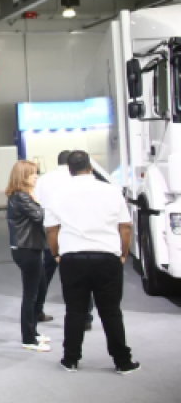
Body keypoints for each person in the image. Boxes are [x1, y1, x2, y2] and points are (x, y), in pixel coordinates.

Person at [45, 151, 140, 374]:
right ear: (91, 168)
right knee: (111, 311)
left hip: (72, 258)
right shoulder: (112, 191)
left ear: (69, 170)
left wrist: (56, 254)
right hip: (107, 257)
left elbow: (51, 230)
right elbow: (125, 227)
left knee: (75, 310)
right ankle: (123, 362)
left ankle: (70, 359)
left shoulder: (57, 194)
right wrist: (123, 254)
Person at [34, 151, 95, 330]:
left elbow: (36, 203)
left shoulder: (44, 179)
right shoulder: (78, 180)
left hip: (50, 232)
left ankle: (36, 310)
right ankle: (85, 317)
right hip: (74, 234)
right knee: (81, 277)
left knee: (44, 274)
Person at [6, 160, 50, 352]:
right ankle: (29, 339)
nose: (36, 177)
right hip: (27, 249)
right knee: (31, 294)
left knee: (38, 289)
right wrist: (39, 202)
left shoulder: (21, 196)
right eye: (33, 174)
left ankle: (33, 332)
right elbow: (40, 216)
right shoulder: (22, 197)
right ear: (23, 176)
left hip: (29, 247)